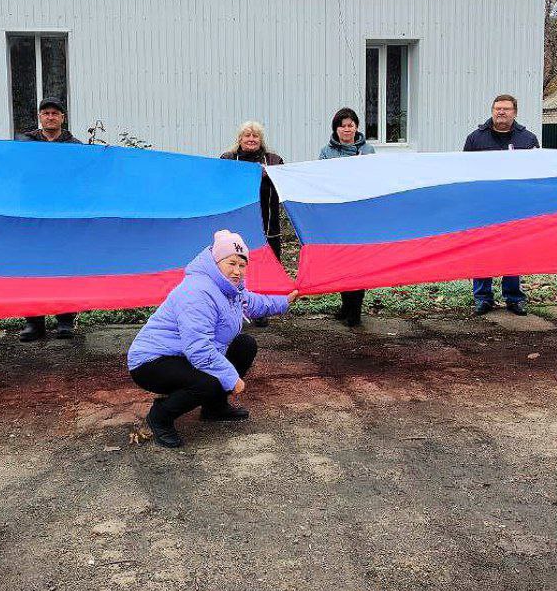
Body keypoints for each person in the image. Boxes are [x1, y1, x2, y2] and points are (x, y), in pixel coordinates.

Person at [128, 230, 297, 448]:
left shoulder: (230, 289)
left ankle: (214, 407)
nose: (237, 271)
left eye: (242, 265)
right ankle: (159, 417)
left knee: (245, 345)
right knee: (207, 382)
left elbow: (253, 303)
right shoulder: (197, 292)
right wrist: (231, 378)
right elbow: (198, 349)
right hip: (152, 361)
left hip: (183, 354)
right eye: (231, 263)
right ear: (216, 262)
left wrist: (285, 301)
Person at [463, 94, 540, 316]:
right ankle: (483, 298)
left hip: (515, 208)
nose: (501, 112)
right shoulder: (475, 139)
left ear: (515, 112)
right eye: (497, 108)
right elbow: (465, 172)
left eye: (506, 109)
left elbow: (535, 174)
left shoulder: (528, 140)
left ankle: (514, 298)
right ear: (492, 111)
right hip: (483, 207)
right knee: (482, 251)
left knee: (513, 252)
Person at [16, 97, 83, 341]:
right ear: (40, 117)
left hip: (64, 216)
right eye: (46, 113)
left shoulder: (75, 147)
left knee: (65, 266)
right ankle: (34, 322)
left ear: (63, 118)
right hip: (33, 215)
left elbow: (84, 178)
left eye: (55, 113)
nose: (51, 117)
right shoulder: (24, 144)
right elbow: (13, 170)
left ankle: (65, 320)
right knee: (33, 267)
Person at [318, 107, 375, 327]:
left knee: (358, 261)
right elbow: (321, 179)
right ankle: (345, 304)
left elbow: (374, 177)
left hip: (360, 214)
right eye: (342, 125)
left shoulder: (368, 150)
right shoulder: (326, 151)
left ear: (357, 127)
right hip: (337, 214)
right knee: (341, 260)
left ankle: (356, 309)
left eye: (350, 125)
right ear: (336, 128)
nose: (347, 129)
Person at [221, 121, 285, 261]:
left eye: (255, 136)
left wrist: (270, 174)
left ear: (260, 140)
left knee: (269, 260)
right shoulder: (228, 159)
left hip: (267, 219)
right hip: (237, 216)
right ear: (240, 139)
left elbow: (284, 185)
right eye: (247, 135)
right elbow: (220, 184)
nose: (251, 139)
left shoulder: (273, 160)